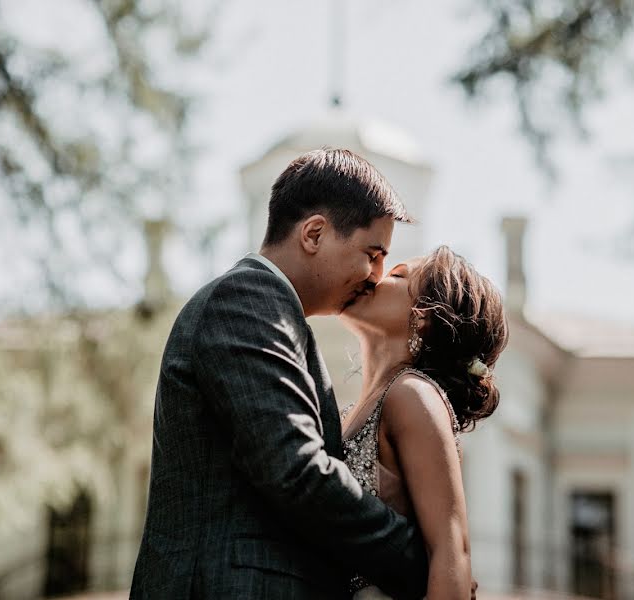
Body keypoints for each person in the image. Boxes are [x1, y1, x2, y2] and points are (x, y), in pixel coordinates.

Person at [131, 148, 429, 599]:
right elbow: (296, 471)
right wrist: (418, 558)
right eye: (372, 253)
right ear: (314, 233)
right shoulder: (246, 299)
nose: (376, 275)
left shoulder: (274, 312)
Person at [339, 246, 509, 599]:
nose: (374, 277)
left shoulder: (412, 396)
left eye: (397, 275)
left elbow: (451, 552)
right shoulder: (358, 408)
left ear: (423, 318)